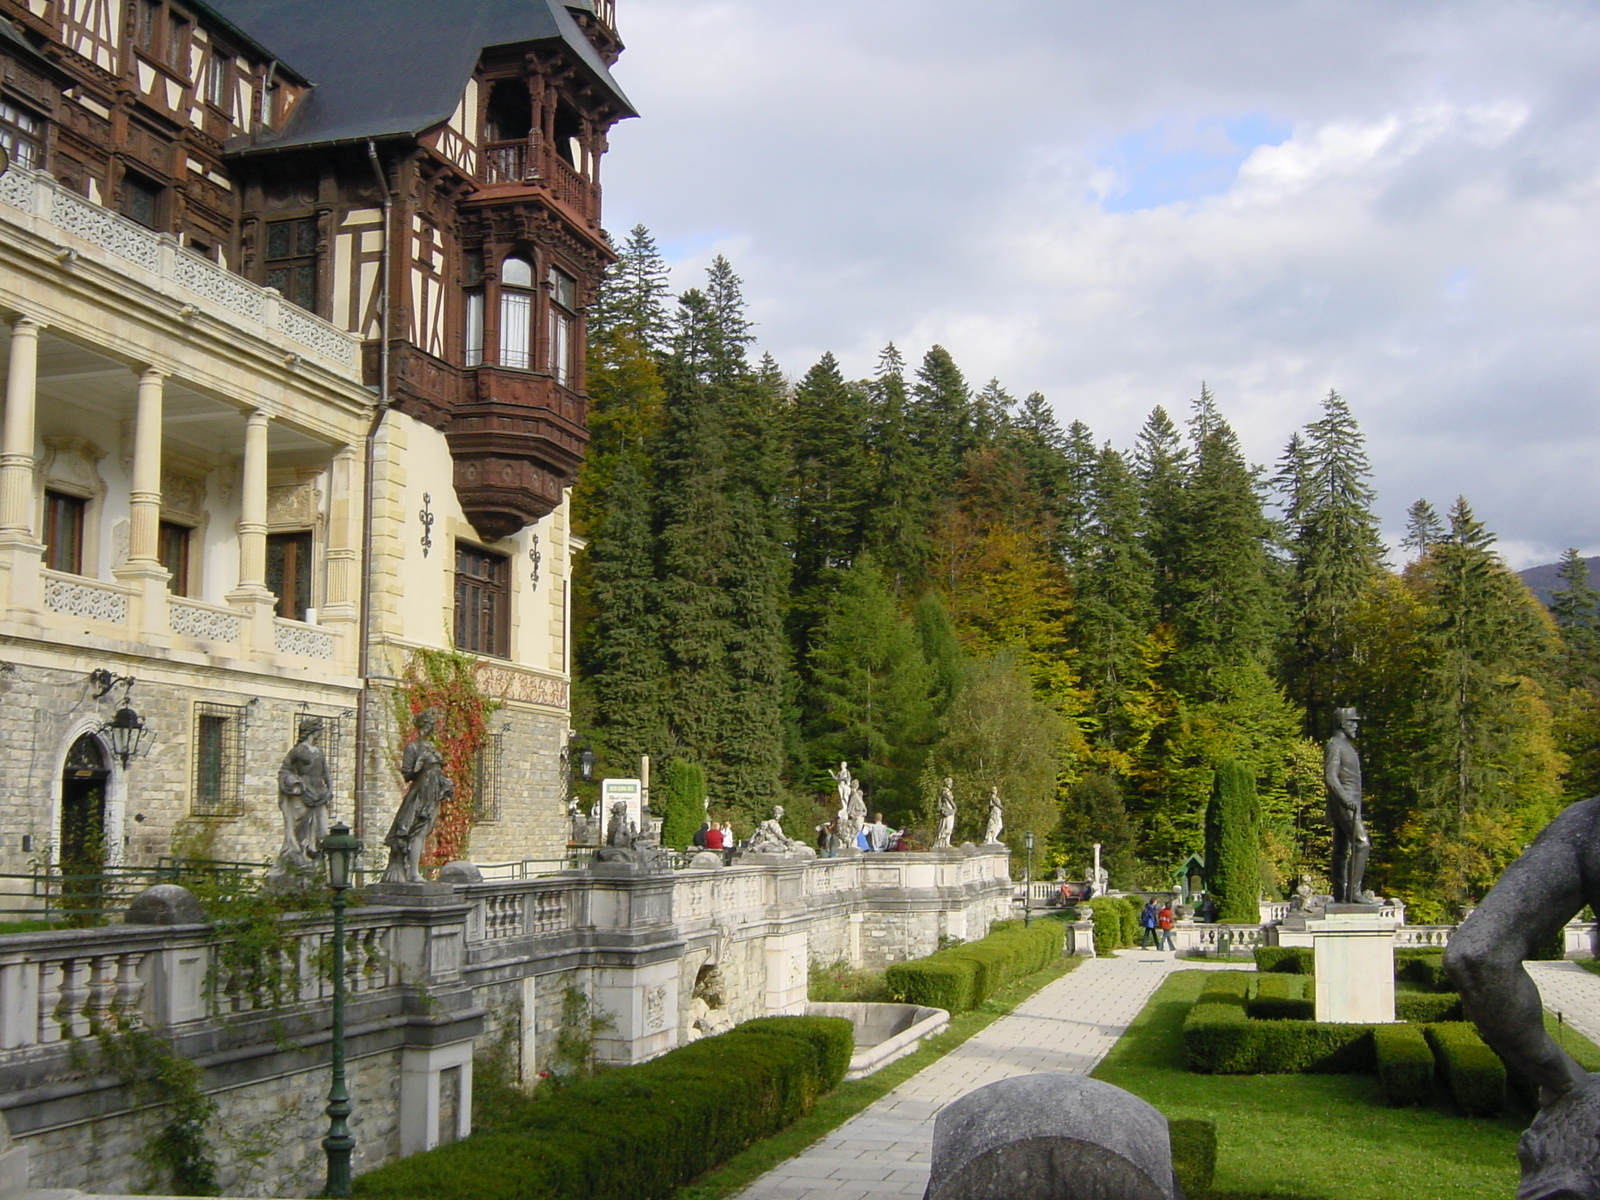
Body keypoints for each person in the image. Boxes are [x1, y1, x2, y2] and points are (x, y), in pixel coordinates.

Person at [382, 708, 453, 884]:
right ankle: (413, 873)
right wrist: (419, 766)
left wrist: (446, 783)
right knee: (416, 832)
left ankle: (414, 871)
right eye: (430, 725)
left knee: (424, 831)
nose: (432, 729)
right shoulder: (412, 747)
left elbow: (437, 770)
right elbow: (406, 773)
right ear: (423, 726)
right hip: (420, 794)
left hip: (433, 793)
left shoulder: (431, 747)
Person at [1324, 706, 1372, 903]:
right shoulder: (1335, 745)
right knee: (1362, 843)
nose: (1356, 727)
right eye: (1353, 723)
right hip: (1345, 804)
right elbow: (1330, 777)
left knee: (1341, 850)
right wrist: (1346, 799)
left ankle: (1341, 895)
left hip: (1348, 803)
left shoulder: (1344, 746)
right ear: (1343, 724)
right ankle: (1353, 892)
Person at [274, 716, 332, 876]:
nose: (321, 734)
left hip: (319, 794)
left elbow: (326, 773)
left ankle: (314, 858)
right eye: (319, 731)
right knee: (300, 829)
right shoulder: (298, 751)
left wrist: (330, 789)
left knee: (321, 830)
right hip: (304, 795)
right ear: (312, 732)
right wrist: (294, 782)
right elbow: (284, 770)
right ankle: (299, 857)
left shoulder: (319, 751)